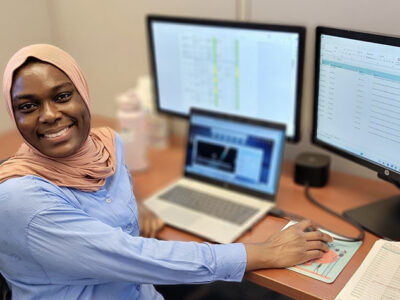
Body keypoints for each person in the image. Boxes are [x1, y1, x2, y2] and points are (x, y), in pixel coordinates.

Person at [0, 44, 332, 300]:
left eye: (62, 96)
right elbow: (132, 255)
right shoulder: (20, 200)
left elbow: (107, 208)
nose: (49, 115)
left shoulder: (104, 146)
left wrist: (131, 205)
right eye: (28, 106)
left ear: (83, 94)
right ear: (14, 114)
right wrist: (263, 251)